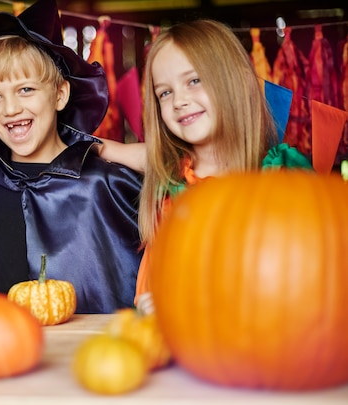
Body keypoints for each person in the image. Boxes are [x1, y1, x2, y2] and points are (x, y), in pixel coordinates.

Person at [0, 0, 143, 313]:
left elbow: (192, 166)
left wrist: (103, 147)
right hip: (0, 349)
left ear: (60, 94)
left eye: (26, 90)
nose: (10, 109)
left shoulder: (107, 182)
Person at [134, 19, 312, 312]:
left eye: (194, 80)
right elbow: (151, 292)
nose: (179, 101)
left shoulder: (285, 176)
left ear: (238, 82)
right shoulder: (169, 195)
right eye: (165, 92)